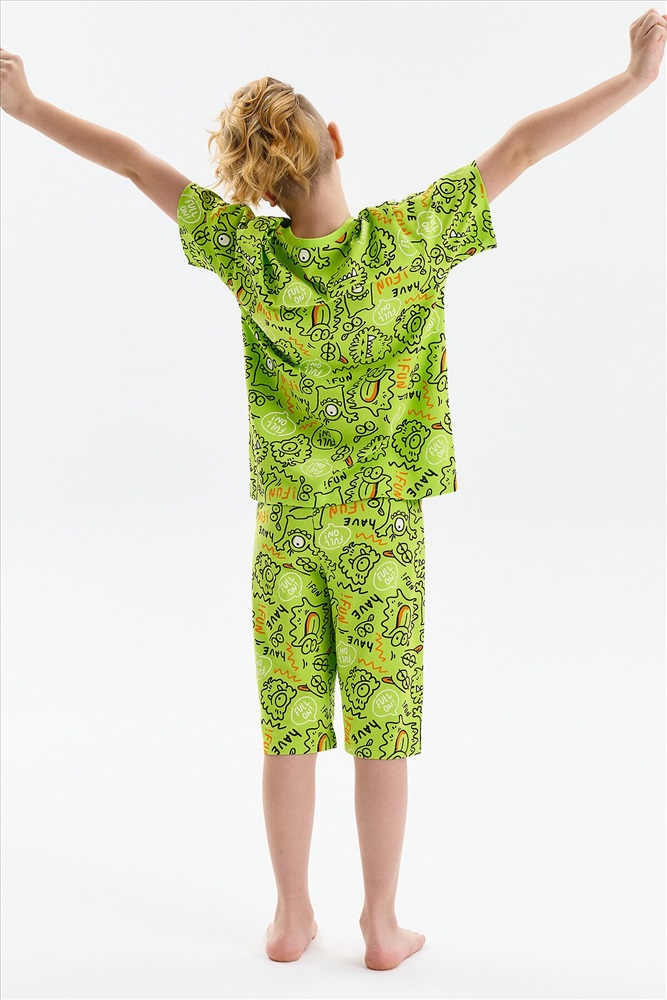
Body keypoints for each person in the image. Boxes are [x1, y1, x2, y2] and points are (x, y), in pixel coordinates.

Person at [1, 8, 664, 972]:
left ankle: (288, 915)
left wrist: (25, 107)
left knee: (289, 727)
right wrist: (634, 81)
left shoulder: (250, 258)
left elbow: (136, 164)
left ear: (260, 183)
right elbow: (522, 146)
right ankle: (381, 926)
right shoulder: (409, 241)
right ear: (336, 142)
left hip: (287, 532)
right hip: (381, 534)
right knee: (380, 735)